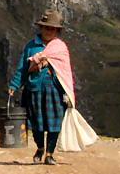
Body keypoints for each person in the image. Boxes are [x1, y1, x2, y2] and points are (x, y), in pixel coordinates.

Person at [8, 9, 73, 165]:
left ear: (57, 30)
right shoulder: (31, 46)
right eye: (46, 27)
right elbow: (23, 68)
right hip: (34, 90)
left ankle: (49, 154)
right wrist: (14, 84)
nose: (48, 31)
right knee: (36, 123)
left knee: (54, 123)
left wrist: (68, 92)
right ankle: (40, 148)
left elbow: (66, 71)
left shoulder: (60, 48)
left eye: (52, 28)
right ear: (41, 28)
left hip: (55, 91)